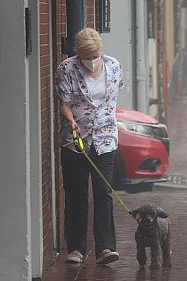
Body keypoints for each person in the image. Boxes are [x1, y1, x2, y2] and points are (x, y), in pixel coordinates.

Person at [55, 28, 124, 265]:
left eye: (95, 55)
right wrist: (70, 119)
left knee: (103, 192)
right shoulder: (67, 68)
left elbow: (112, 100)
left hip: (105, 139)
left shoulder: (114, 66)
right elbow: (64, 102)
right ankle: (76, 249)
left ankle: (105, 247)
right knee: (76, 195)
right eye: (87, 56)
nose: (92, 60)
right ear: (78, 53)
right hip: (76, 141)